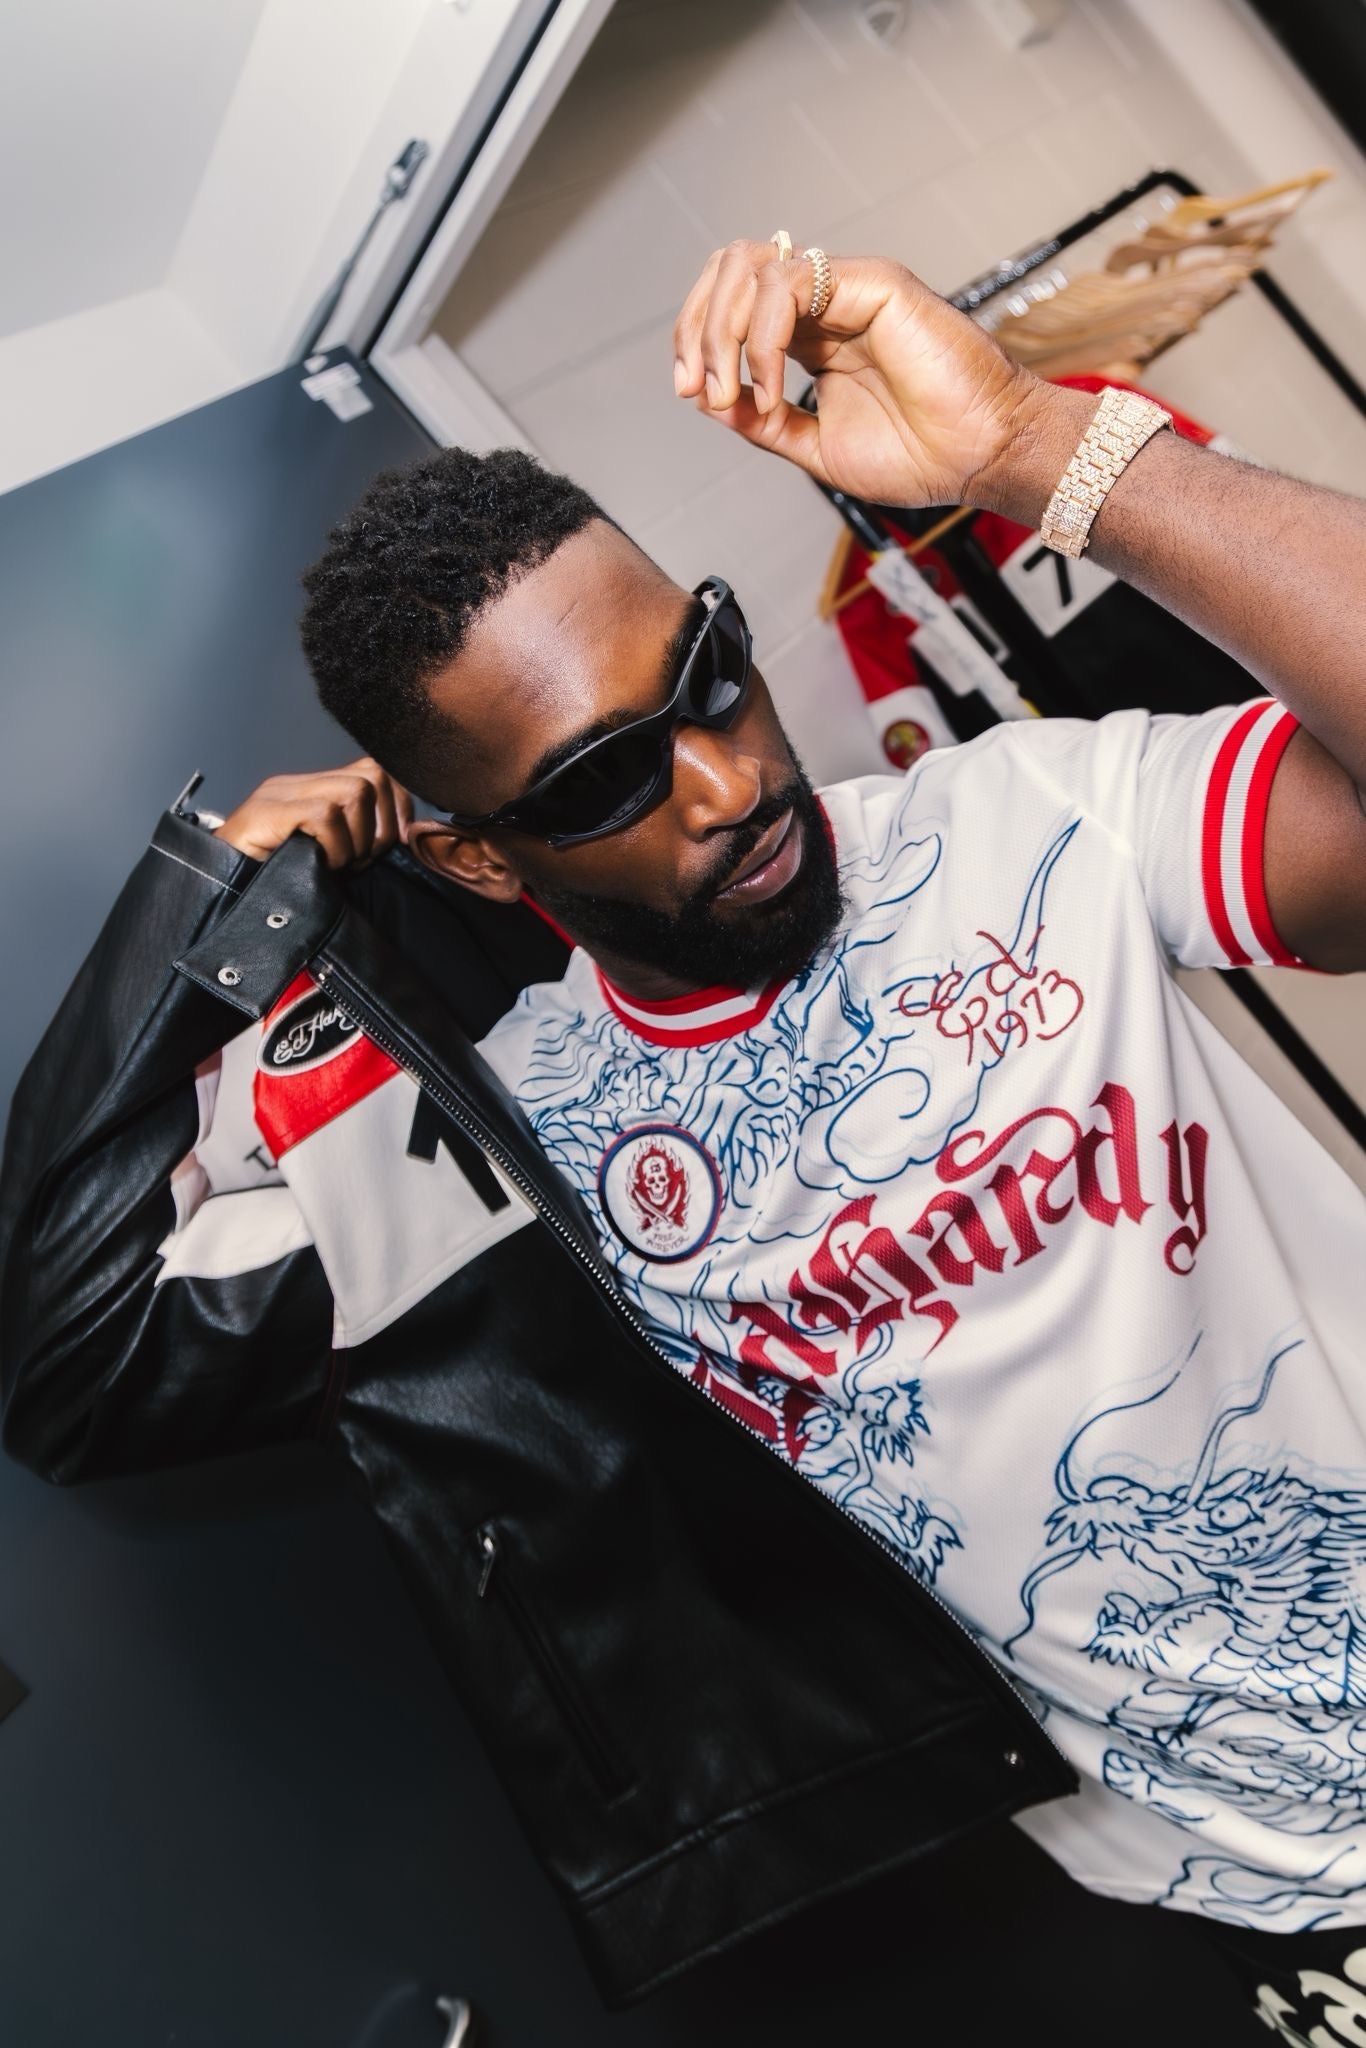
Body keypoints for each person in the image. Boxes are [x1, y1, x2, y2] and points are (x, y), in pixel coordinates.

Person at [6, 239, 1366, 2038]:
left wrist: (1034, 448)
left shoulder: (1030, 827)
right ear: (479, 855)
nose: (727, 783)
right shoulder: (515, 1142)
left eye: (709, 676)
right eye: (601, 781)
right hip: (1263, 1885)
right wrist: (197, 910)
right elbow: (73, 1362)